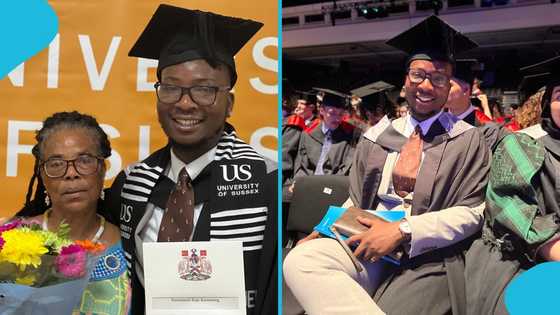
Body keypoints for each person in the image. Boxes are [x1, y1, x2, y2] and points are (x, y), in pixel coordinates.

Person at [283, 15, 490, 315]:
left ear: (449, 87)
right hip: (364, 236)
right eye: (418, 75)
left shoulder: (467, 140)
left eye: (439, 78)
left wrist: (402, 230)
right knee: (301, 260)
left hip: (425, 250)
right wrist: (328, 227)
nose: (427, 85)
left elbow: (472, 212)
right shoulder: (381, 135)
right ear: (405, 80)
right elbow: (358, 197)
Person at [105, 5, 277, 315]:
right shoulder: (132, 185)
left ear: (229, 104)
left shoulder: (266, 183)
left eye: (204, 90)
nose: (185, 103)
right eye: (170, 87)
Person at [464, 55, 560, 315]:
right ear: (546, 103)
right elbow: (509, 204)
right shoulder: (524, 143)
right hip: (521, 254)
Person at [16, 111, 130, 315]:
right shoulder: (9, 241)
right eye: (56, 164)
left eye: (84, 160)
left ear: (103, 169)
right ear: (42, 175)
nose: (71, 173)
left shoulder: (130, 247)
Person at [292, 88, 358, 180]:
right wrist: (297, 182)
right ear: (322, 110)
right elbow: (300, 164)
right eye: (332, 113)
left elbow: (346, 167)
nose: (337, 119)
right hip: (308, 182)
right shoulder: (308, 132)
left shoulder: (350, 135)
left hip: (334, 184)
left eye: (341, 114)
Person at [445, 59, 506, 150]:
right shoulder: (433, 121)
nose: (442, 89)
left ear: (466, 89)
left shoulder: (484, 126)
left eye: (448, 85)